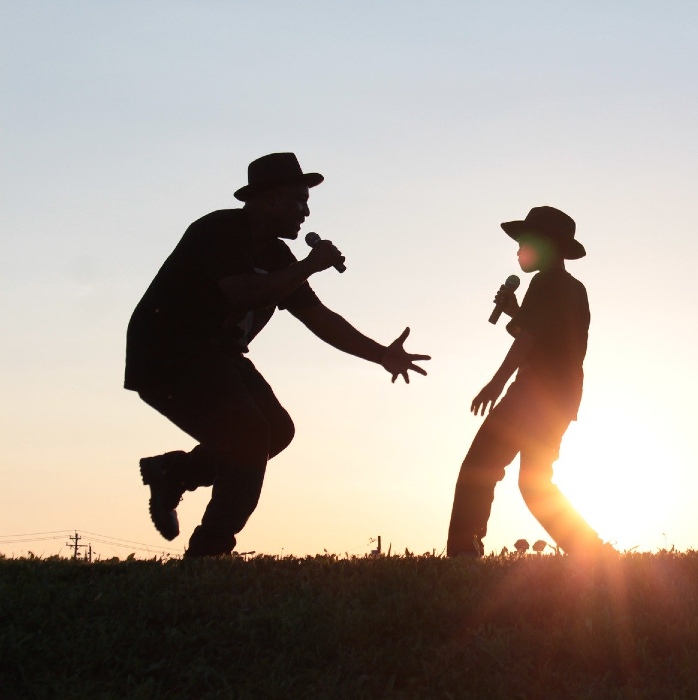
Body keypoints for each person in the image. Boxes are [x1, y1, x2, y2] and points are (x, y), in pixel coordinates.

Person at [125, 152, 429, 557]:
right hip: (168, 354)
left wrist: (381, 355)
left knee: (276, 431)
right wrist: (309, 265)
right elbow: (244, 291)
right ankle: (209, 553)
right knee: (249, 436)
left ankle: (174, 472)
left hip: (219, 356)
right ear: (266, 199)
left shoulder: (278, 257)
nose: (305, 212)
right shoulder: (219, 230)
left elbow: (319, 318)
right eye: (297, 200)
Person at [446, 206, 605, 557]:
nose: (519, 250)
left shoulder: (546, 282)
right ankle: (592, 551)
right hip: (562, 399)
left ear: (547, 246)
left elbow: (529, 340)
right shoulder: (571, 288)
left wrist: (496, 383)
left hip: (533, 396)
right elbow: (550, 338)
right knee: (534, 483)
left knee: (479, 468)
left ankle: (462, 553)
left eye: (525, 242)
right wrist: (515, 311)